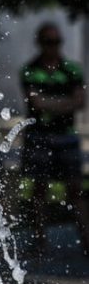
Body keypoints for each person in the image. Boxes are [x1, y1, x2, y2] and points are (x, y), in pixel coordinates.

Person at [20, 23, 89, 256]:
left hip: (65, 136)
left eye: (56, 42)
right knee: (39, 190)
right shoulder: (30, 70)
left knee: (75, 189)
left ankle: (86, 240)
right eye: (48, 42)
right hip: (40, 135)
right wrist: (63, 103)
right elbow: (35, 103)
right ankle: (40, 242)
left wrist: (49, 104)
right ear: (40, 43)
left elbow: (79, 102)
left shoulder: (72, 69)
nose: (53, 47)